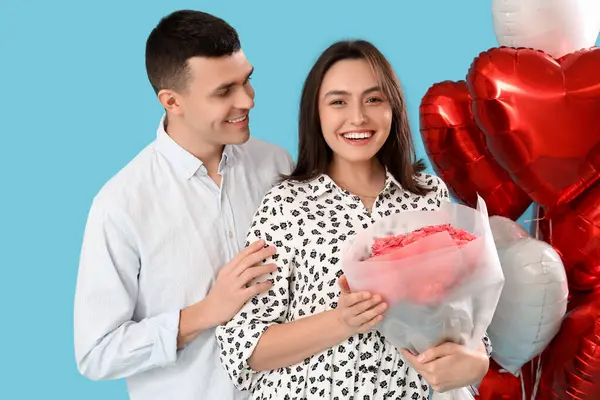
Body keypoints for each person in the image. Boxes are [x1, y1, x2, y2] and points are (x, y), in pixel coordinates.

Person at [215, 40, 491, 399]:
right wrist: (340, 321)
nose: (358, 117)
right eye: (338, 101)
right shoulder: (287, 205)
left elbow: (469, 319)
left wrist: (478, 361)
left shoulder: (428, 197)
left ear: (393, 107)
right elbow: (244, 345)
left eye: (374, 99)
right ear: (316, 113)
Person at [73, 9, 293, 400]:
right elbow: (96, 353)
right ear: (172, 101)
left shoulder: (277, 164)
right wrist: (204, 313)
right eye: (224, 91)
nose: (247, 100)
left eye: (247, 80)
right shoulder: (120, 205)